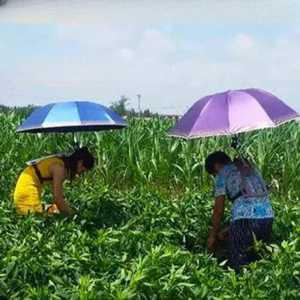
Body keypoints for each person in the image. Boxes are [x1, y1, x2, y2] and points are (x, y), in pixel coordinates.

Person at [205, 151, 274, 271]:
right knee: (258, 258)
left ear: (216, 166)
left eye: (213, 174)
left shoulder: (222, 174)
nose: (215, 176)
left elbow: (218, 210)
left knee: (240, 263)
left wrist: (212, 236)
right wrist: (229, 229)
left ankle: (242, 285)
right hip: (268, 216)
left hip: (245, 219)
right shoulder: (250, 167)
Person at [14, 147, 94, 216]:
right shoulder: (59, 168)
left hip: (26, 187)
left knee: (51, 212)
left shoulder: (60, 163)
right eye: (82, 171)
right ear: (80, 163)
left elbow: (58, 196)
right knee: (37, 218)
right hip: (27, 190)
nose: (80, 174)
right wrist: (74, 215)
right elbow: (58, 199)